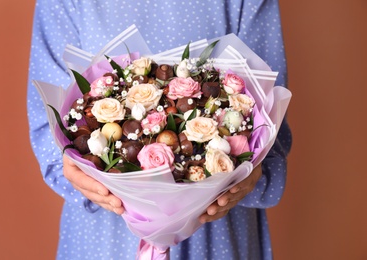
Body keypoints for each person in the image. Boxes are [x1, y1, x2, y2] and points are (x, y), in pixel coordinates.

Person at [27, 0, 292, 259]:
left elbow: (267, 120)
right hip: (105, 236)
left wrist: (249, 174)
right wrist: (74, 170)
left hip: (217, 231)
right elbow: (48, 121)